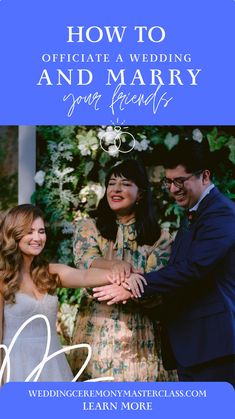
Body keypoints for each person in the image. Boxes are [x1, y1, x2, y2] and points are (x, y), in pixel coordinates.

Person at [94, 140, 235, 386]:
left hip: (213, 344)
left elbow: (193, 268)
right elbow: (175, 267)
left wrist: (135, 285)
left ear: (205, 176)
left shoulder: (221, 214)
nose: (173, 188)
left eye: (180, 181)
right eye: (169, 182)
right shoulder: (196, 212)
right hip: (193, 345)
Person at [0, 204, 141, 383]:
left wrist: (122, 274)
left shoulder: (49, 273)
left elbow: (85, 276)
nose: (37, 237)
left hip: (52, 363)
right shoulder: (2, 280)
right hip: (16, 366)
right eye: (30, 231)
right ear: (14, 234)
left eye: (41, 231)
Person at [71, 159, 177, 382]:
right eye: (112, 183)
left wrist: (130, 288)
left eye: (126, 183)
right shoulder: (89, 227)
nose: (116, 189)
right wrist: (120, 269)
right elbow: (86, 263)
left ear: (140, 194)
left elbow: (158, 285)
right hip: (95, 334)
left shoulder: (160, 237)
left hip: (139, 338)